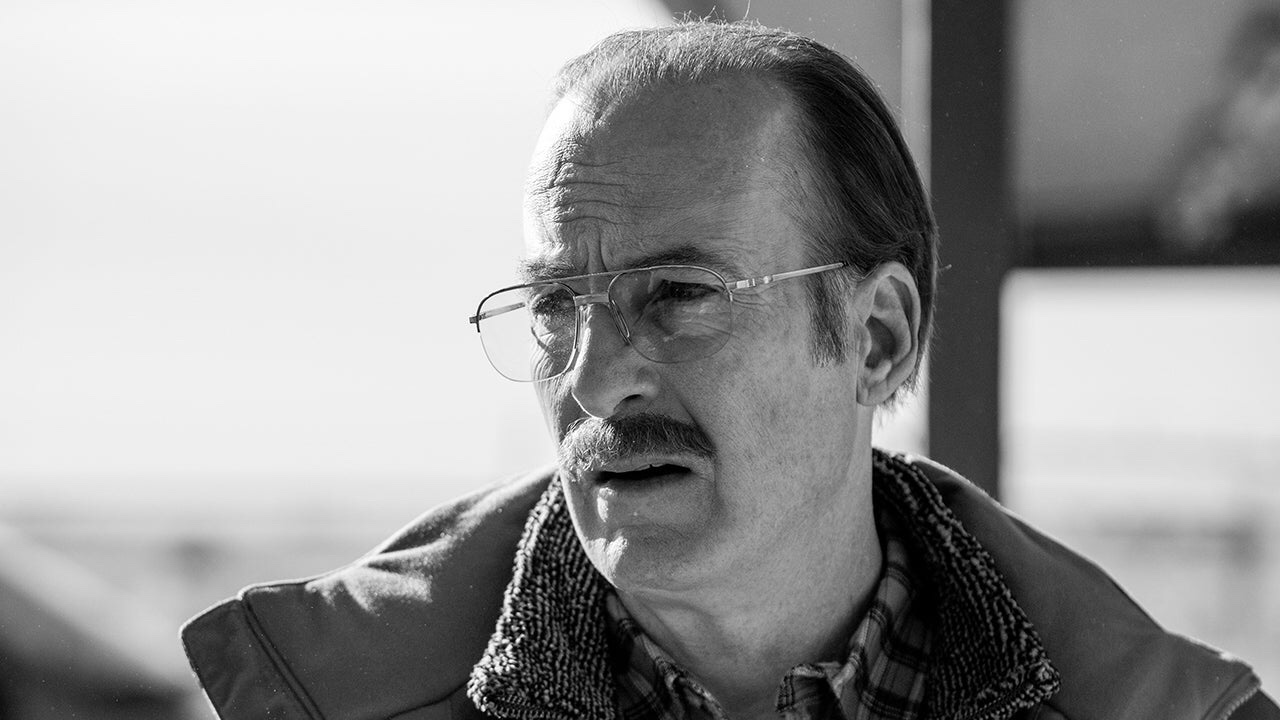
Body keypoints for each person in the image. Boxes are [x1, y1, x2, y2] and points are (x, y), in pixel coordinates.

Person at [181, 21, 1278, 720]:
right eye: (557, 307)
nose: (595, 383)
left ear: (877, 337)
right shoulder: (336, 701)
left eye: (678, 295)